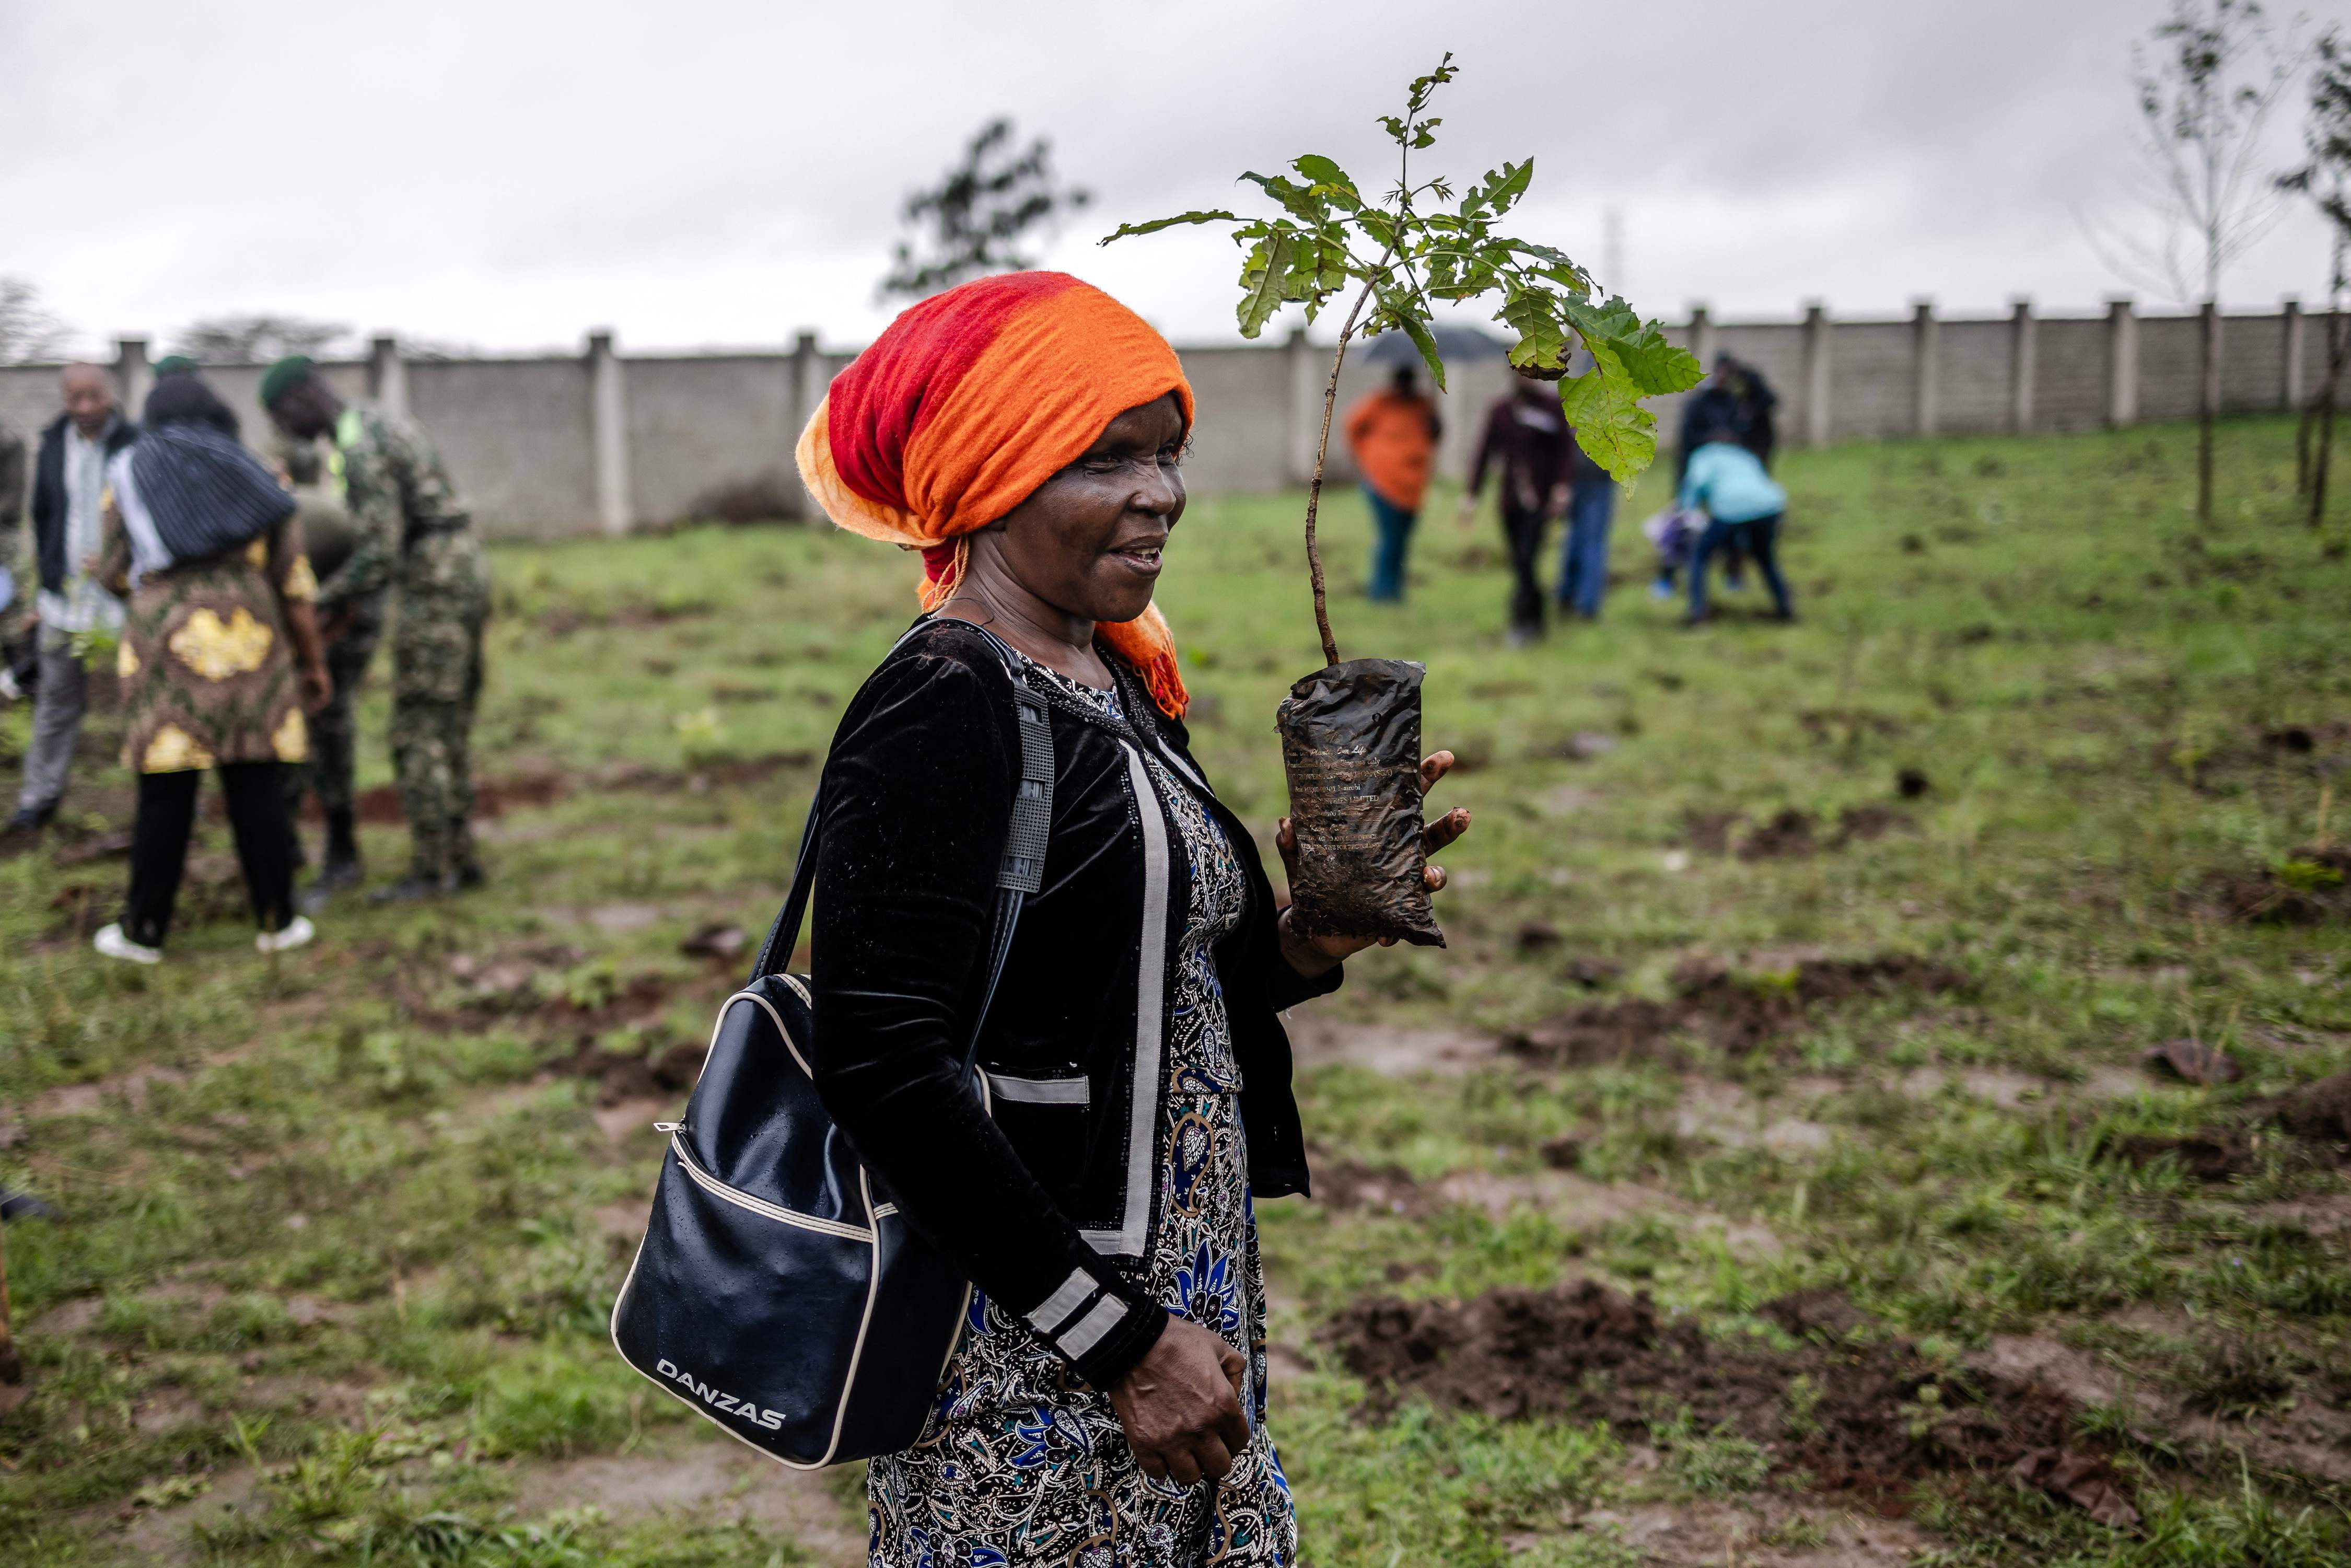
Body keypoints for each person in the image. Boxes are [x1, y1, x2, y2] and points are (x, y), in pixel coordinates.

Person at [795, 272, 1469, 1566]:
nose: (1159, 492)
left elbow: (1137, 989)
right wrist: (1119, 1338)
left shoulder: (1106, 673)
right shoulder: (945, 701)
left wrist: (1304, 940)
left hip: (1176, 1288)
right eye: (1108, 457)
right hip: (1029, 1333)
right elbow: (879, 1059)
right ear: (994, 472)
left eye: (1168, 455)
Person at [88, 373, 330, 964]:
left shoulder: (126, 474)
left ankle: (144, 930)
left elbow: (118, 570)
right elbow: (293, 585)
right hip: (252, 638)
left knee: (166, 789)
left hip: (166, 645)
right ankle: (279, 922)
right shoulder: (261, 476)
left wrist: (110, 575)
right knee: (255, 780)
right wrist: (313, 663)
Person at [260, 357, 488, 901]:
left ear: (300, 399)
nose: (285, 433)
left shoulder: (359, 448)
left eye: (281, 418)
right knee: (448, 722)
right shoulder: (383, 421)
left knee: (417, 730)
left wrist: (312, 606)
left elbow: (379, 554)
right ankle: (460, 857)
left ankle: (431, 874)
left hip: (433, 582)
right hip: (464, 567)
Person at [8, 365, 137, 834]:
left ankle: (156, 799)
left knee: (140, 697)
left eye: (93, 397)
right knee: (56, 701)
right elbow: (42, 517)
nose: (84, 408)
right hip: (64, 601)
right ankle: (37, 800)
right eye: (75, 398)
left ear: (111, 394)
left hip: (124, 600)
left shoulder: (134, 444)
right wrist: (45, 588)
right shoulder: (52, 444)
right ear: (64, 399)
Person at [272, 435, 377, 910]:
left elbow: (347, 598)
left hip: (347, 604)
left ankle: (342, 849)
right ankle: (286, 846)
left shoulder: (316, 525)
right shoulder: (255, 531)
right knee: (288, 724)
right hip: (307, 601)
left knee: (328, 723)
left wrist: (318, 653)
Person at [1462, 369, 1577, 643]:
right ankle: (1536, 620)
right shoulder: (1502, 411)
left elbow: (1565, 451)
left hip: (1541, 503)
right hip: (1510, 503)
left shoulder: (1553, 409)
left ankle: (1523, 622)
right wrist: (1471, 495)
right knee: (1520, 562)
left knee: (1527, 559)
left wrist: (1562, 488)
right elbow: (1484, 453)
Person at [1679, 419, 1794, 625]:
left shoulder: (1705, 454)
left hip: (1730, 508)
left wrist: (1687, 510)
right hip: (1770, 506)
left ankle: (1697, 615)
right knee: (1765, 556)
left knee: (1700, 557)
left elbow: (1696, 482)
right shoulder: (1745, 455)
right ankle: (1785, 608)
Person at [1344, 363, 1441, 601]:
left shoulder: (1423, 405)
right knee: (1390, 538)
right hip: (1383, 483)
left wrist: (1435, 418)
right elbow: (1352, 427)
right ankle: (1382, 593)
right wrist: (1366, 457)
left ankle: (1394, 589)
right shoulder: (1379, 403)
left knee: (1402, 540)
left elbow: (1435, 435)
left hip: (1413, 486)